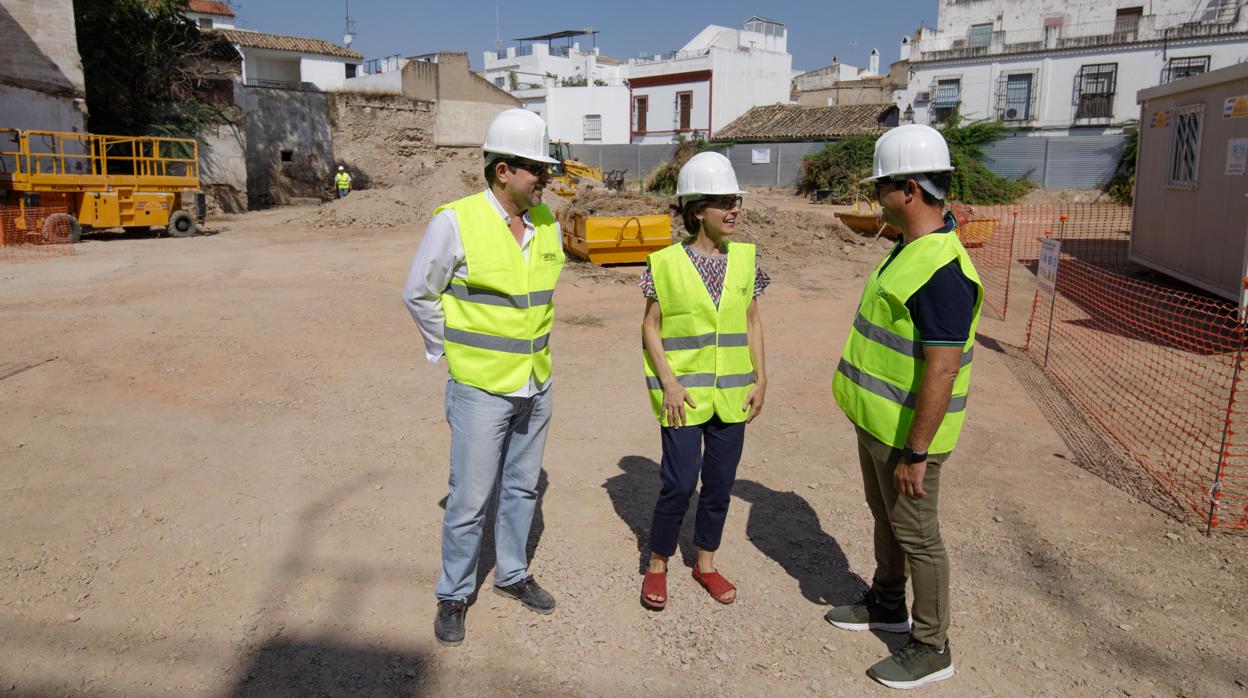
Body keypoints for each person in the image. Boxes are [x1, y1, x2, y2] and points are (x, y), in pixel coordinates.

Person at [824, 124, 983, 690]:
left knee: (918, 536)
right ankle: (887, 603)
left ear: (909, 190)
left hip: (909, 438)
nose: (876, 199)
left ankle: (931, 645)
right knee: (886, 519)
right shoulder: (908, 248)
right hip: (878, 425)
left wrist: (916, 452)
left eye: (882, 188)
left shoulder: (942, 272)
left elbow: (941, 369)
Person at [401, 108, 564, 646]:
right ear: (503, 171)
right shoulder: (455, 221)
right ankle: (453, 593)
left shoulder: (545, 224)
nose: (546, 177)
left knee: (521, 488)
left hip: (535, 383)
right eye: (537, 169)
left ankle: (512, 574)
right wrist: (448, 350)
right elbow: (420, 293)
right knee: (469, 500)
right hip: (480, 388)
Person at [637, 151, 769, 611]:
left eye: (735, 200)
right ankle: (657, 564)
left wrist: (762, 377)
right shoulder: (665, 263)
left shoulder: (748, 261)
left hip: (733, 395)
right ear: (697, 211)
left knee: (718, 483)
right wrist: (669, 382)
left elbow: (752, 321)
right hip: (683, 397)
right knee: (678, 482)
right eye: (722, 202)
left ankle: (705, 563)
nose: (733, 209)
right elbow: (650, 326)